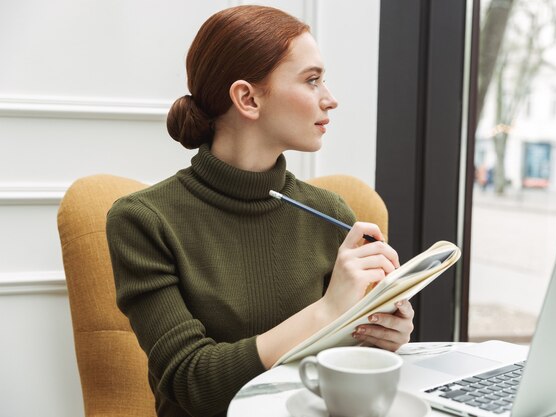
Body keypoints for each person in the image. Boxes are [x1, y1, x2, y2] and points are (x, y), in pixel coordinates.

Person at [106, 5, 414, 417]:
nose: (331, 99)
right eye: (312, 80)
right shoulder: (142, 221)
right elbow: (192, 384)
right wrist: (326, 310)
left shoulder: (330, 212)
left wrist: (379, 337)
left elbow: (329, 361)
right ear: (247, 98)